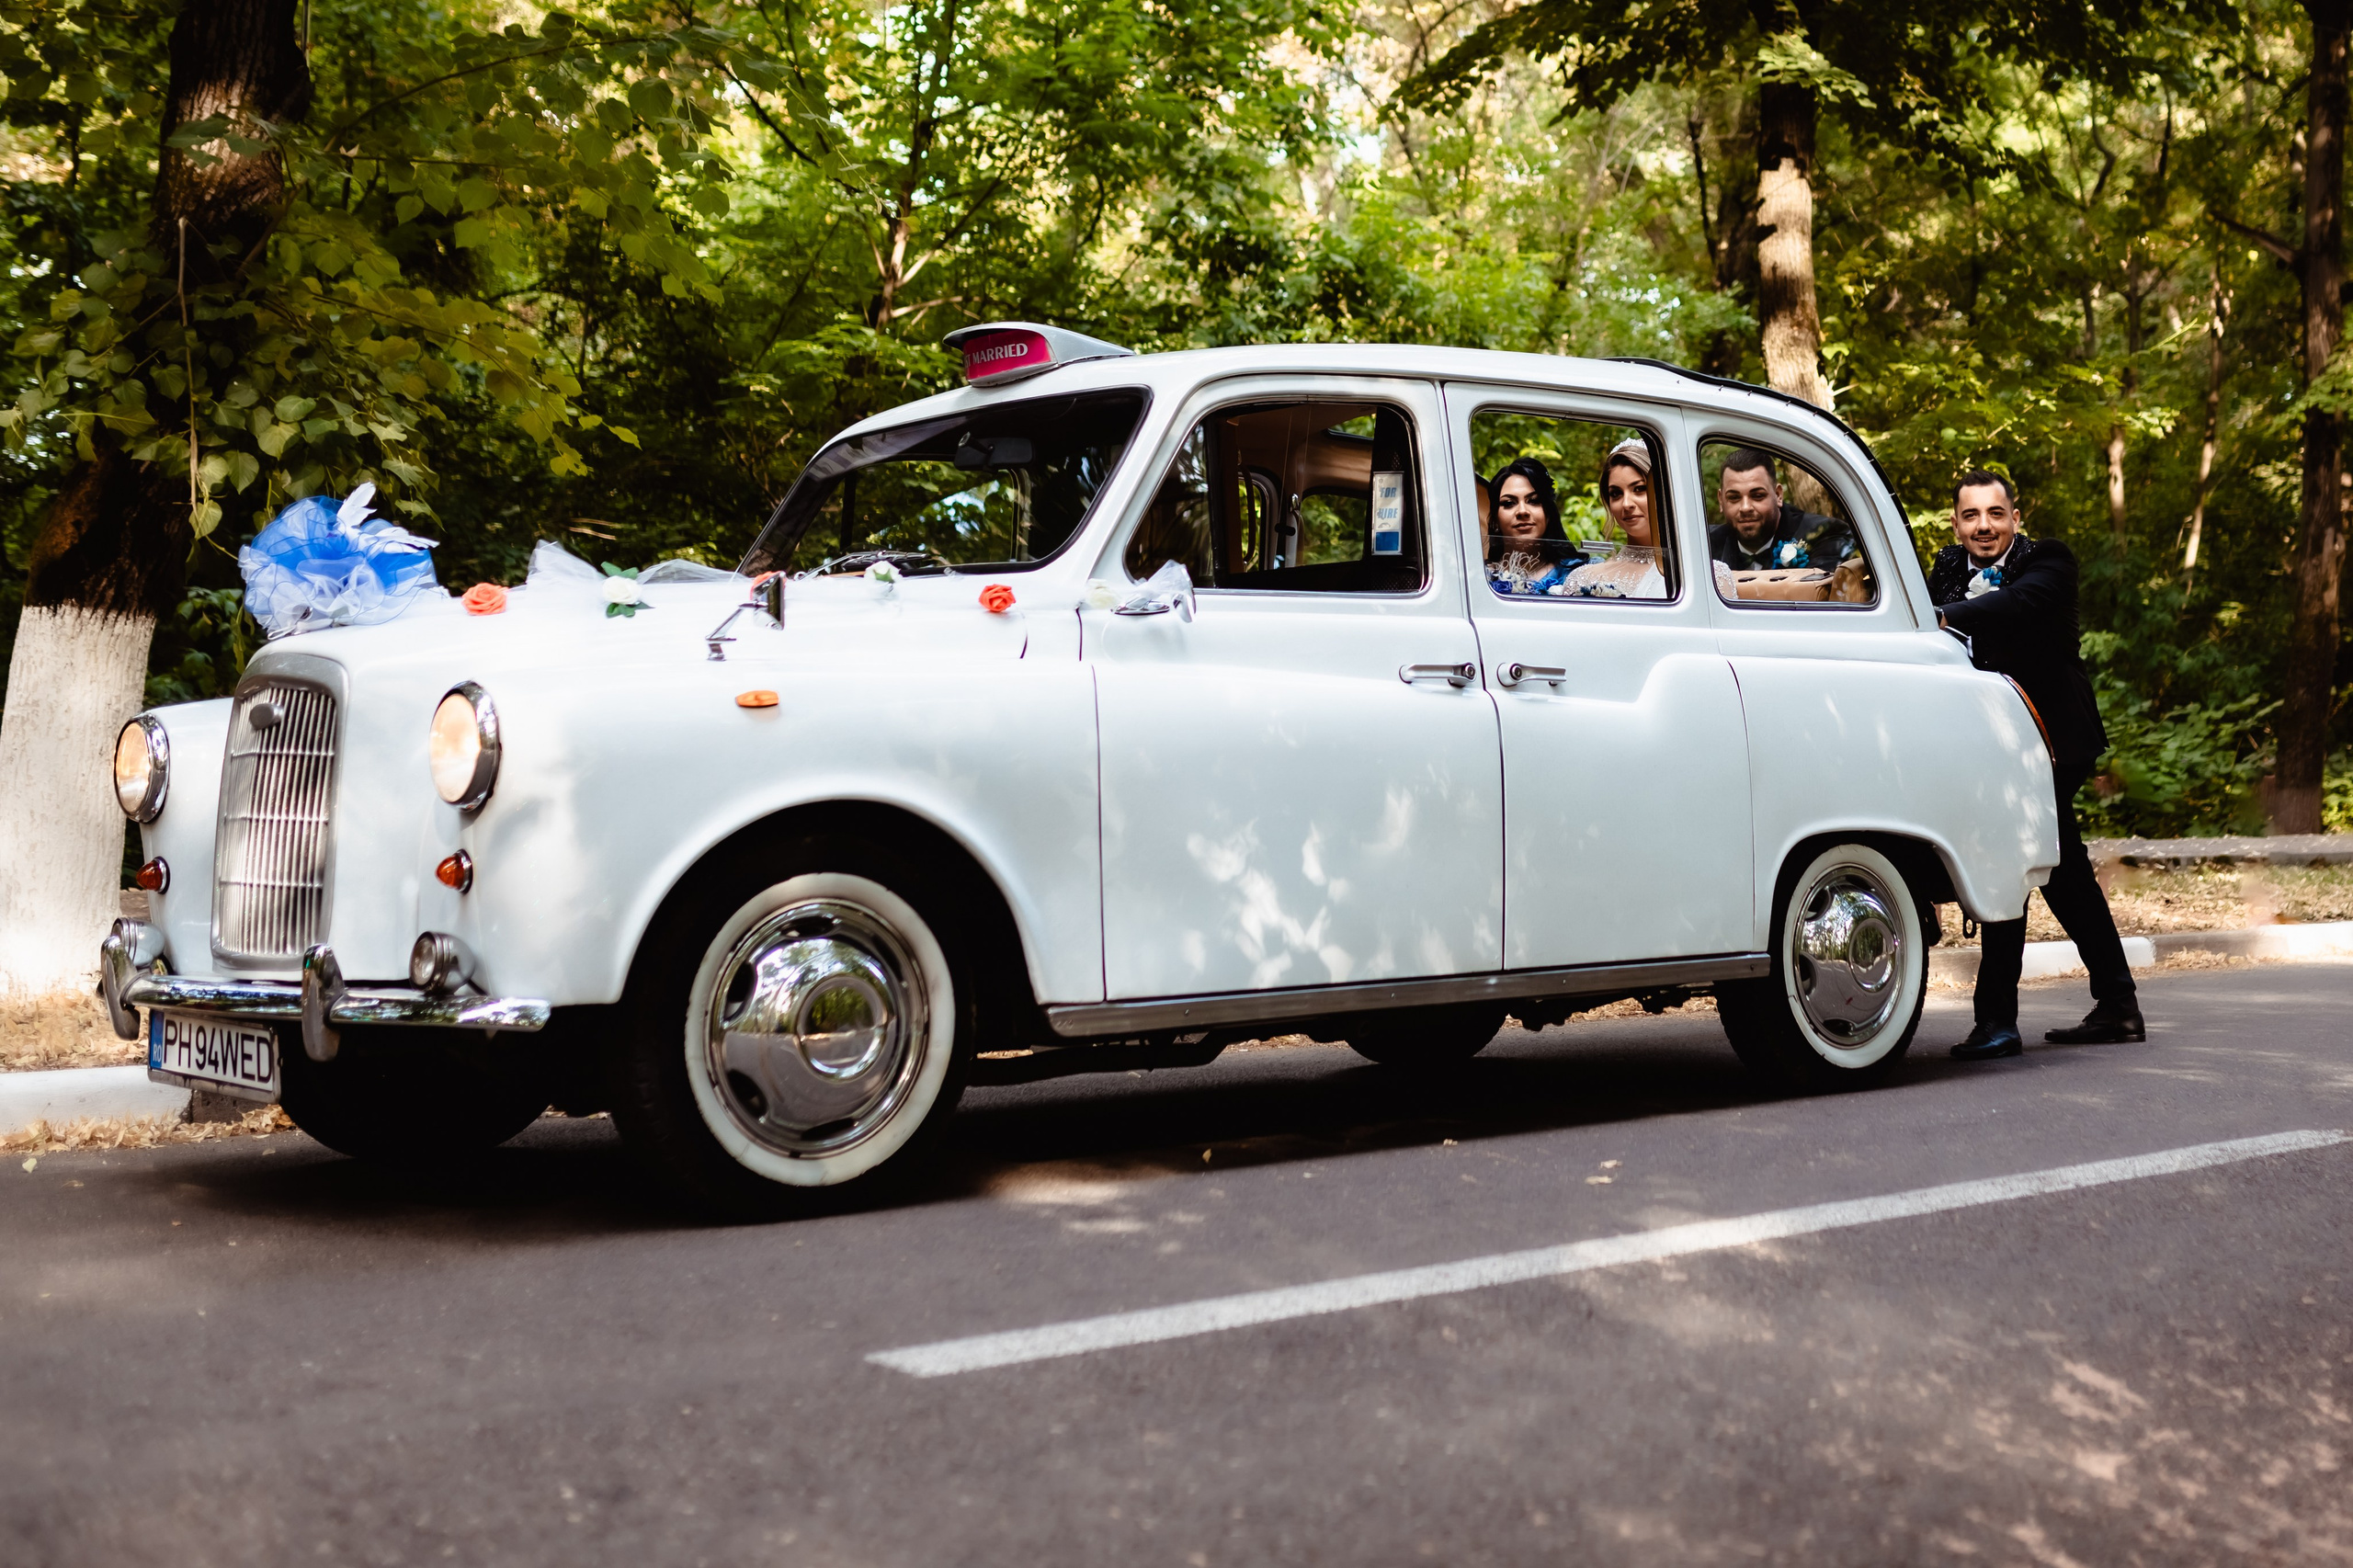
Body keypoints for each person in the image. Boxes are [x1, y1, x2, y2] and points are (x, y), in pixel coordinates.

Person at [1931, 469, 2143, 1060]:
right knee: (2065, 868)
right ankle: (2119, 1005)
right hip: (1994, 743)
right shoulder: (1947, 567)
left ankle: (1997, 1020)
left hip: (2053, 735)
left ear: (2014, 518)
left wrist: (1939, 617)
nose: (1983, 526)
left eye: (1995, 514)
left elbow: (2014, 606)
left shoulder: (2049, 559)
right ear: (1956, 522)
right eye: (1971, 515)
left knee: (2013, 854)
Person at [1708, 448, 1858, 574]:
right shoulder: (1704, 544)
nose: (1745, 507)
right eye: (1734, 497)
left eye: (1758, 496)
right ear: (1721, 501)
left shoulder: (1825, 534)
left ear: (1778, 495)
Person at [1560, 438, 1669, 598]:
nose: (1626, 504)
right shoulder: (1582, 580)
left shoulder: (1710, 576)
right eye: (1616, 494)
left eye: (1639, 489)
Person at [1485, 457, 1586, 596]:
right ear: (1496, 519)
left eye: (1533, 501)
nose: (1522, 511)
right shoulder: (1476, 577)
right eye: (1509, 503)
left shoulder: (1580, 575)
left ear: (1549, 513)